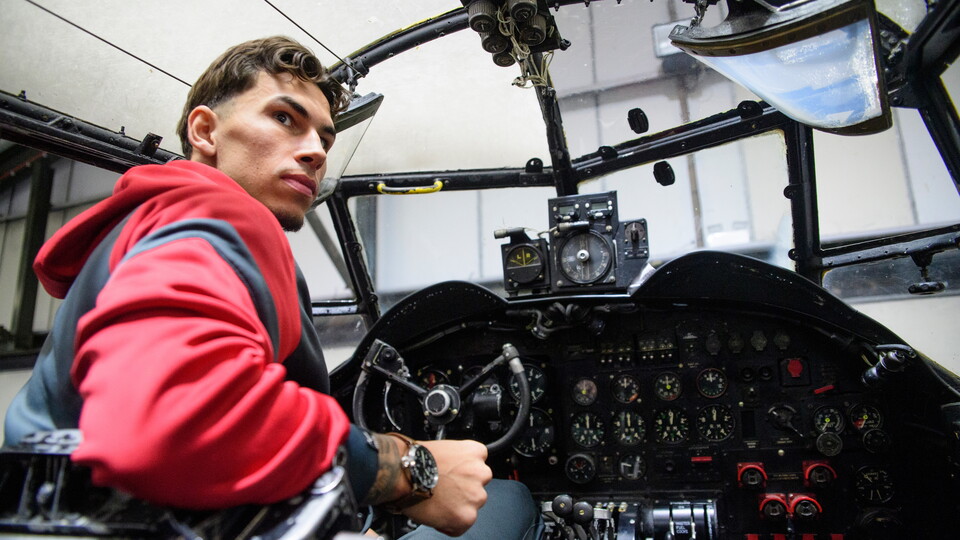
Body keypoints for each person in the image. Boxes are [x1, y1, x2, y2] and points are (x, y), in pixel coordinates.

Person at [3, 36, 540, 539]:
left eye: (325, 138)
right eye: (284, 118)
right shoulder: (216, 212)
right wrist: (408, 468)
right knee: (509, 501)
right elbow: (172, 420)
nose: (315, 151)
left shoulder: (145, 226)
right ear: (206, 132)